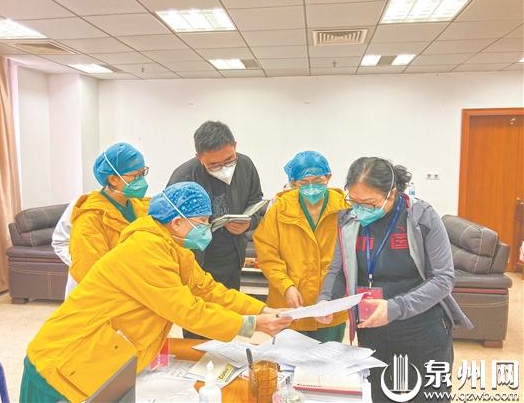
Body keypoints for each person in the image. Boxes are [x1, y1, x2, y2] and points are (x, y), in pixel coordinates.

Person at [20, 182, 292, 403]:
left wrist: (262, 309)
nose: (207, 229)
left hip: (100, 357)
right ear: (177, 222)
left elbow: (207, 289)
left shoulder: (173, 248)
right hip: (62, 363)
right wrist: (253, 325)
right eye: (202, 221)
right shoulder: (145, 249)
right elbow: (188, 311)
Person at [316, 157, 473, 402]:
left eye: (369, 203)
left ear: (392, 194)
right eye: (354, 201)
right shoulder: (349, 220)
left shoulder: (421, 217)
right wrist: (326, 298)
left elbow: (443, 279)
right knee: (379, 395)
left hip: (422, 329)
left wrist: (395, 307)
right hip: (373, 331)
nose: (360, 209)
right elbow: (338, 270)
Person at [167, 121, 264, 338]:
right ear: (198, 157)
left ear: (235, 146)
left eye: (229, 160)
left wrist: (248, 223)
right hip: (197, 263)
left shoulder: (246, 166)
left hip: (232, 258)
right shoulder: (184, 177)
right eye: (213, 165)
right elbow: (171, 226)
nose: (223, 168)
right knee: (199, 327)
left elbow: (256, 202)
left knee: (229, 323)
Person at [254, 151, 350, 342]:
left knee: (328, 357)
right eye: (304, 183)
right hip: (289, 306)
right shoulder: (280, 208)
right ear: (293, 183)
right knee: (288, 357)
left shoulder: (344, 208)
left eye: (318, 181)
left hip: (331, 306)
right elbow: (267, 254)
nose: (311, 187)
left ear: (329, 177)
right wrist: (286, 286)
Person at [66, 142, 150, 294]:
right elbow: (92, 273)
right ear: (113, 179)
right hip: (107, 297)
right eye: (136, 176)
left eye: (143, 173)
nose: (141, 181)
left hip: (136, 288)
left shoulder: (139, 206)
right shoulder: (90, 219)